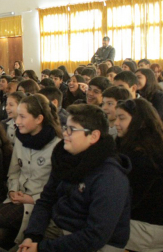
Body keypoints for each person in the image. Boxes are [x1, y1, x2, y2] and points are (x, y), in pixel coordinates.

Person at [19, 104, 131, 252]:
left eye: (72, 130)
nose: (65, 133)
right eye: (65, 128)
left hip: (92, 244)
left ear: (94, 136)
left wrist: (41, 248)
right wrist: (32, 236)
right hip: (59, 229)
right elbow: (46, 201)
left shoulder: (110, 177)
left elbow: (95, 236)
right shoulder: (65, 159)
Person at [0, 94, 62, 250]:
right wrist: (13, 190)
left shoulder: (58, 147)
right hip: (17, 199)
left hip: (39, 205)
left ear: (39, 119)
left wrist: (32, 199)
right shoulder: (21, 139)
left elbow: (57, 188)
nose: (17, 122)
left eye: (22, 117)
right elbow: (14, 172)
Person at [115, 99, 163, 252]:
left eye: (121, 118)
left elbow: (126, 200)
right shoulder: (150, 146)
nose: (116, 123)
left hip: (148, 228)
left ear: (139, 121)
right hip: (144, 224)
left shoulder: (141, 156)